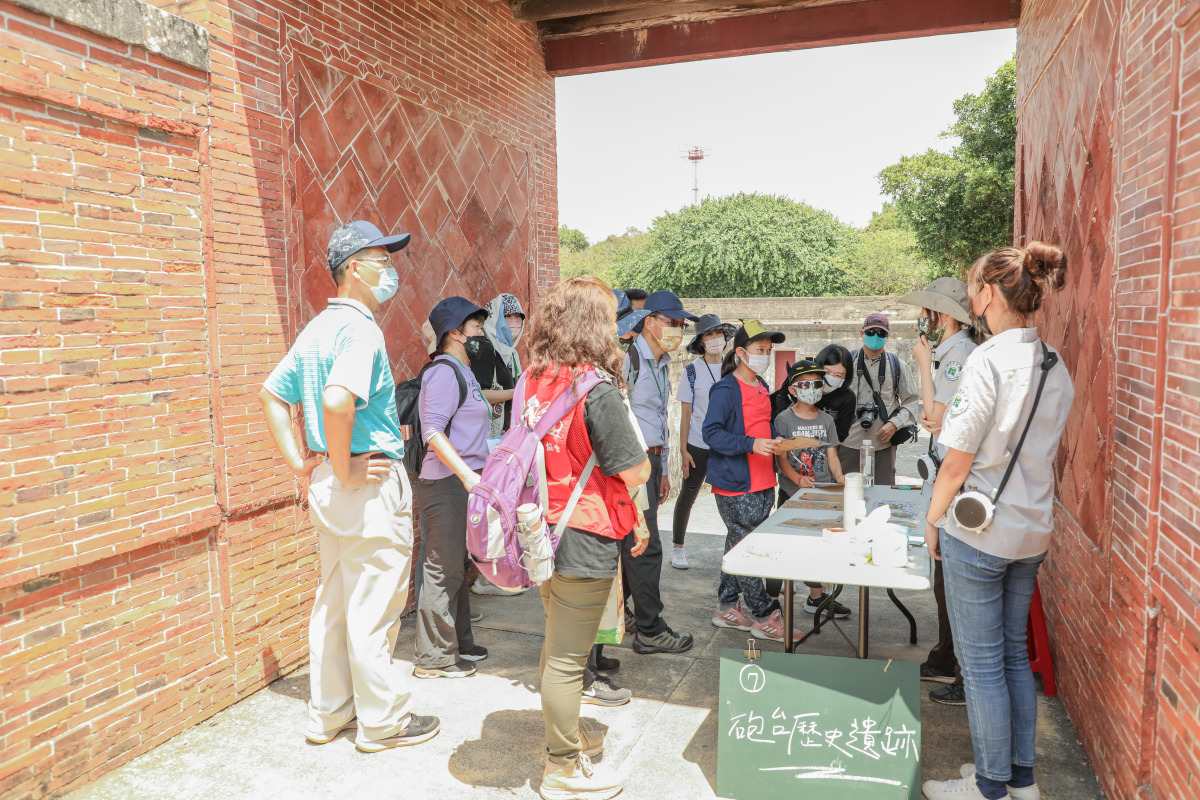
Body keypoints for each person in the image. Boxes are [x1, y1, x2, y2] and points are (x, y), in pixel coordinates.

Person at [257, 220, 439, 752]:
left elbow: (272, 393)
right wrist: (348, 468)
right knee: (372, 610)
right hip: (366, 480)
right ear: (355, 268)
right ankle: (382, 723)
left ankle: (329, 715)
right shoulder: (360, 330)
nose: (392, 270)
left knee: (333, 606)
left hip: (329, 486)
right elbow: (339, 400)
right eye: (384, 260)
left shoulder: (317, 329)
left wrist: (302, 462)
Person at [920, 242, 1073, 800]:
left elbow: (956, 460)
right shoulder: (1053, 363)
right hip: (1031, 530)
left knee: (981, 666)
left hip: (978, 531)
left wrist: (933, 520)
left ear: (987, 293)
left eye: (971, 287)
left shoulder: (987, 361)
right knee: (1011, 656)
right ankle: (1019, 780)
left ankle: (989, 787)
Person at [524, 276, 651, 800]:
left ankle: (564, 739)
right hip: (585, 532)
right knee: (567, 660)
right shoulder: (593, 388)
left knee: (557, 644)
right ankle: (561, 768)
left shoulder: (536, 377)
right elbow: (636, 470)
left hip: (543, 530)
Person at [898, 277, 979, 707]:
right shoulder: (951, 351)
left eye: (928, 312)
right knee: (943, 578)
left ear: (943, 315)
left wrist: (923, 364)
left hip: (954, 474)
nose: (922, 319)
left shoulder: (958, 353)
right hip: (943, 467)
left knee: (953, 580)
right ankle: (946, 656)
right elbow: (934, 419)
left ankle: (962, 670)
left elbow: (933, 414)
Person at [703, 320, 802, 643]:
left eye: (768, 350)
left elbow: (762, 425)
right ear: (742, 353)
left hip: (762, 480)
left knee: (738, 543)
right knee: (747, 548)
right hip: (736, 483)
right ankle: (762, 615)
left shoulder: (760, 383)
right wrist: (751, 444)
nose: (765, 355)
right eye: (760, 350)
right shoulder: (725, 389)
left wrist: (777, 441)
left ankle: (727, 606)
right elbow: (712, 434)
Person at [412, 297, 492, 678]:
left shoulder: (464, 370)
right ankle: (433, 658)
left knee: (459, 566)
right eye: (476, 327)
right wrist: (466, 475)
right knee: (442, 569)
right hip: (446, 484)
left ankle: (460, 642)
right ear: (455, 333)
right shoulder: (442, 372)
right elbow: (433, 432)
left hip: (462, 483)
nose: (482, 334)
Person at [618, 289, 696, 655]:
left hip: (650, 461)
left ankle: (622, 611)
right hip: (629, 463)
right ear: (649, 323)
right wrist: (636, 468)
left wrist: (662, 469)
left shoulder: (662, 363)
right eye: (672, 323)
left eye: (682, 325)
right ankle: (649, 629)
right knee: (646, 545)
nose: (678, 330)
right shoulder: (627, 360)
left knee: (632, 544)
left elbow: (658, 421)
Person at [771, 360, 851, 619]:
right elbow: (781, 457)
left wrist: (839, 477)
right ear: (793, 390)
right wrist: (796, 478)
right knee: (786, 545)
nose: (812, 389)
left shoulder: (827, 419)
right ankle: (772, 600)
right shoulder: (783, 419)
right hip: (793, 494)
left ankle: (815, 598)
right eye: (805, 384)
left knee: (819, 546)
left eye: (817, 384)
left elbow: (832, 454)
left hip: (821, 494)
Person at [469, 292, 526, 598]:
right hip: (484, 442)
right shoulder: (485, 349)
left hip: (505, 442)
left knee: (505, 508)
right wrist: (515, 395)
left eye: (519, 320)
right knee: (491, 510)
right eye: (509, 319)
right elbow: (475, 393)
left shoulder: (511, 354)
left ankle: (499, 574)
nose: (514, 325)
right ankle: (485, 579)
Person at [671, 313, 735, 570]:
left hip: (727, 444)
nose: (715, 338)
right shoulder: (691, 372)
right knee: (688, 495)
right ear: (701, 341)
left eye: (718, 333)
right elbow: (686, 414)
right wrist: (683, 449)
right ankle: (677, 547)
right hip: (698, 444)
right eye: (709, 334)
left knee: (732, 497)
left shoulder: (734, 367)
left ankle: (734, 548)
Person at [838, 312, 920, 485]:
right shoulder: (847, 362)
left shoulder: (898, 366)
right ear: (862, 334)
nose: (875, 336)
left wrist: (894, 424)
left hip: (883, 443)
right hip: (848, 441)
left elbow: (911, 402)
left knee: (883, 495)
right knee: (846, 494)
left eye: (881, 333)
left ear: (888, 337)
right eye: (870, 332)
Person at [814, 343, 855, 442]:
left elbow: (841, 434)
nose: (830, 378)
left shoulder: (848, 397)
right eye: (827, 372)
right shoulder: (802, 383)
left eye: (838, 375)